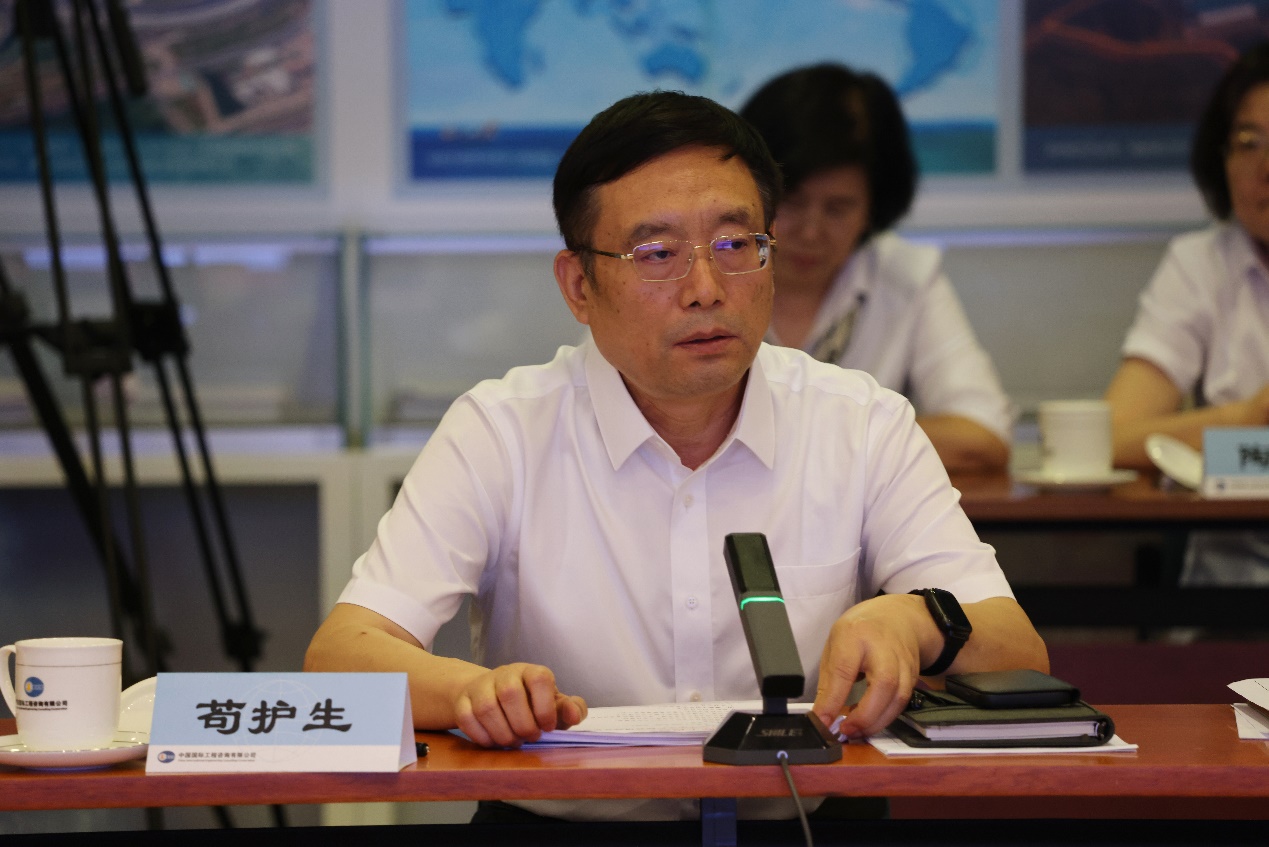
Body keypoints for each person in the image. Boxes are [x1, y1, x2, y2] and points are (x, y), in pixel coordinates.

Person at [305, 90, 1047, 821]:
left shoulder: (862, 423)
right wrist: (468, 692)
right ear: (579, 286)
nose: (705, 289)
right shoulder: (502, 431)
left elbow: (1018, 650)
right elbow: (342, 655)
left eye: (735, 245)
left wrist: (914, 621)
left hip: (806, 825)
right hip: (562, 829)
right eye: (657, 254)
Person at [739, 63, 1014, 473]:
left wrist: (809, 435)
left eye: (838, 208)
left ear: (874, 207)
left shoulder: (905, 276)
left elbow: (981, 436)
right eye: (792, 201)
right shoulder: (705, 271)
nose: (811, 232)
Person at [1105, 42, 1269, 588]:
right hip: (1230, 599)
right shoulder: (1201, 264)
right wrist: (1248, 418)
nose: (1266, 168)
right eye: (1248, 143)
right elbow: (1112, 438)